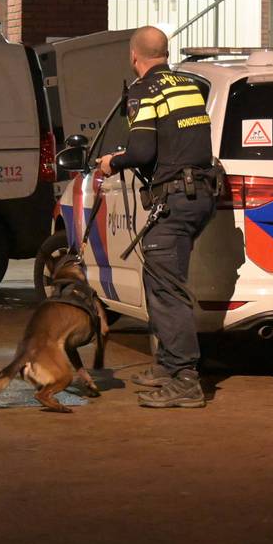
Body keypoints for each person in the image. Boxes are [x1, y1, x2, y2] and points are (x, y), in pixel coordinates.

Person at [97, 26, 217, 409]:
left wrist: (111, 162)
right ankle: (167, 365)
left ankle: (185, 380)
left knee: (167, 290)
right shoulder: (187, 86)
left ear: (135, 56)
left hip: (176, 198)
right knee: (159, 280)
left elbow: (142, 150)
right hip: (198, 195)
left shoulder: (144, 90)